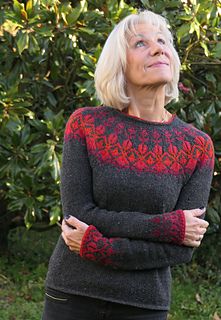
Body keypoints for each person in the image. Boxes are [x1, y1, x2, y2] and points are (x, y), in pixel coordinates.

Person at [42, 10, 214, 320]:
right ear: (119, 62)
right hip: (73, 293)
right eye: (140, 43)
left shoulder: (196, 146)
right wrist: (170, 225)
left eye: (162, 41)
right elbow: (79, 215)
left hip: (144, 304)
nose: (158, 48)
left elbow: (183, 247)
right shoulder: (86, 125)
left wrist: (98, 247)